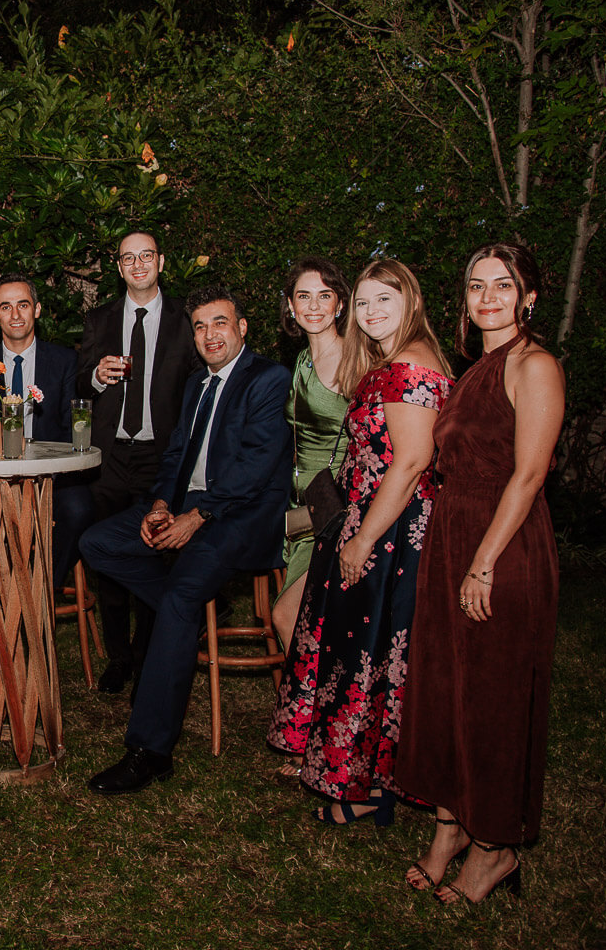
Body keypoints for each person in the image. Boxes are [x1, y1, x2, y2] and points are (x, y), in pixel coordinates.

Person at [396, 243, 565, 904]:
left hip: (504, 547)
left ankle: (493, 848)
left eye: (504, 284)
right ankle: (448, 829)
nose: (488, 296)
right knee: (445, 690)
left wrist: (484, 564)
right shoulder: (476, 368)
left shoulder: (534, 365)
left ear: (529, 296)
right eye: (476, 285)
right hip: (453, 537)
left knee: (493, 701)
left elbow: (529, 475)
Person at [81, 286, 292, 794]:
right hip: (186, 507)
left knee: (176, 599)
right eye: (199, 326)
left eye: (220, 323)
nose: (209, 334)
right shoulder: (198, 385)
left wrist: (197, 516)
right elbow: (175, 456)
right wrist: (158, 505)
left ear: (243, 328)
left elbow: (255, 467)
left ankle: (149, 751)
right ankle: (186, 607)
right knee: (97, 542)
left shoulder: (267, 378)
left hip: (241, 515)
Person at [266, 259, 452, 825]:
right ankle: (362, 778)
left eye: (383, 301)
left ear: (410, 302)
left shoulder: (406, 366)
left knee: (375, 656)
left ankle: (371, 785)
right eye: (366, 302)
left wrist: (363, 538)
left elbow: (414, 460)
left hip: (388, 526)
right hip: (360, 515)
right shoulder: (387, 359)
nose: (371, 313)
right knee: (363, 659)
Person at [77, 230, 197, 694]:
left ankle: (148, 655)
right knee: (108, 557)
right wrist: (97, 377)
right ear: (119, 266)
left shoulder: (186, 320)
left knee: (156, 550)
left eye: (147, 255)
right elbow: (79, 387)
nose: (139, 264)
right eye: (129, 257)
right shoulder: (100, 319)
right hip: (108, 457)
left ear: (161, 262)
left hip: (161, 457)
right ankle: (118, 658)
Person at [0, 273, 94, 591]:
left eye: (22, 305)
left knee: (80, 509)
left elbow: (69, 428)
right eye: (6, 307)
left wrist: (43, 465)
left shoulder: (65, 360)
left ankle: (42, 587)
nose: (15, 315)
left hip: (54, 473)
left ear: (36, 309)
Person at [271, 259, 352, 652]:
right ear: (290, 305)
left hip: (338, 508)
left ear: (340, 304)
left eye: (325, 296)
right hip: (303, 508)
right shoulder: (303, 359)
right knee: (308, 624)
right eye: (304, 296)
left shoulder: (356, 361)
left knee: (288, 616)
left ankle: (309, 712)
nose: (314, 306)